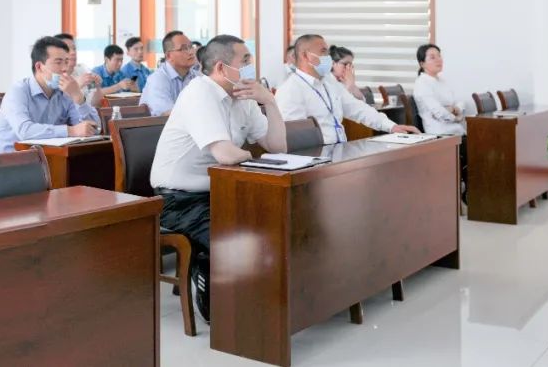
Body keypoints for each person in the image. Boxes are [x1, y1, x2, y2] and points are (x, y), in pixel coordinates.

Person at [150, 34, 288, 323]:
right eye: (245, 61)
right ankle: (209, 279)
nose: (251, 67)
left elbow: (277, 147)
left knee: (271, 227)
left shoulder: (243, 96)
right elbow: (225, 154)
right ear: (222, 68)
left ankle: (252, 295)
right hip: (178, 200)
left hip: (219, 190)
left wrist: (270, 101)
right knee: (233, 240)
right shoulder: (199, 93)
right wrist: (254, 159)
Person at [277, 34, 419, 144]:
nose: (328, 58)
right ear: (305, 55)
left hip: (339, 151)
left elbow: (357, 108)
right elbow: (295, 137)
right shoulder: (290, 90)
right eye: (323, 52)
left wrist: (391, 127)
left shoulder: (329, 83)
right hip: (316, 157)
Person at [0, 36, 101, 153]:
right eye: (58, 62)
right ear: (39, 67)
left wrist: (78, 97)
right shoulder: (18, 91)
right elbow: (24, 131)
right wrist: (71, 131)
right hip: (6, 160)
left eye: (66, 62)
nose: (65, 68)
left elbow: (95, 129)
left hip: (44, 159)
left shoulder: (66, 92)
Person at [413, 43, 468, 203]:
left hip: (456, 131)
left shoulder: (442, 80)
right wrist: (456, 116)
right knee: (475, 150)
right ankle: (466, 196)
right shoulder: (422, 84)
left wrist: (455, 109)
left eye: (439, 55)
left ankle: (472, 193)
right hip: (440, 134)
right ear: (422, 64)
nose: (438, 59)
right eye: (432, 57)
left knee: (481, 146)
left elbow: (461, 102)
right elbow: (438, 112)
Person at [139, 30, 200, 116]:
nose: (191, 52)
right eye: (183, 49)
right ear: (169, 56)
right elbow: (167, 113)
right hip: (163, 124)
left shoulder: (197, 76)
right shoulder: (157, 79)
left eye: (191, 47)